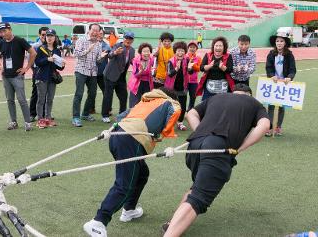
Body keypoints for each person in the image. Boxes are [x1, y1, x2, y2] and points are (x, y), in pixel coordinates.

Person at [162, 84, 270, 237]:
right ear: (249, 95)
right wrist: (240, 148)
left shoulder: (217, 97)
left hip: (195, 145)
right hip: (218, 147)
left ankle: (171, 224)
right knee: (198, 198)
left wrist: (200, 132)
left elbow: (191, 113)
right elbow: (265, 125)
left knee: (197, 188)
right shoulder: (255, 103)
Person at [83, 87, 182, 237]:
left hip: (118, 135)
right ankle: (98, 222)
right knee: (125, 184)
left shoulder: (147, 100)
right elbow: (174, 113)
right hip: (132, 139)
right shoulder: (171, 103)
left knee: (142, 174)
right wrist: (164, 134)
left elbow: (122, 116)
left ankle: (129, 210)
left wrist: (111, 130)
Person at [0, 22, 37, 131]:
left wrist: (26, 68)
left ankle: (27, 123)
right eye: (1, 32)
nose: (3, 34)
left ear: (10, 29)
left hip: (17, 76)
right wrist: (0, 67)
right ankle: (13, 122)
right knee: (10, 100)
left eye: (5, 31)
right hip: (6, 76)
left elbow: (33, 53)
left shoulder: (20, 41)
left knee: (22, 100)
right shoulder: (1, 43)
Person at [72, 23, 104, 127]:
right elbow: (76, 54)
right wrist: (88, 50)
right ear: (89, 30)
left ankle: (85, 114)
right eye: (93, 30)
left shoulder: (99, 44)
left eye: (97, 31)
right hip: (81, 71)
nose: (95, 32)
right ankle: (75, 117)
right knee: (79, 94)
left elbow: (97, 60)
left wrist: (102, 57)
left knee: (92, 94)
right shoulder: (82, 40)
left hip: (93, 72)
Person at [265, 32, 296, 137]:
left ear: (285, 43)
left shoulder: (289, 55)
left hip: (284, 84)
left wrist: (289, 77)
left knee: (282, 107)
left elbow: (292, 69)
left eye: (281, 41)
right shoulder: (271, 54)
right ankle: (269, 127)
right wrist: (271, 75)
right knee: (271, 106)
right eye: (277, 41)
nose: (279, 43)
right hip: (274, 82)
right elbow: (268, 67)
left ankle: (278, 127)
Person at [101, 31, 135, 123]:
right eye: (127, 38)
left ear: (132, 40)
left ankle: (122, 114)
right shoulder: (117, 45)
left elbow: (133, 62)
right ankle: (105, 115)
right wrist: (115, 52)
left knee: (123, 96)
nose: (128, 40)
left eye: (130, 39)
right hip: (110, 74)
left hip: (121, 76)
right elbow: (110, 55)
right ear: (123, 38)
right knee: (108, 95)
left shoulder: (132, 50)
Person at [34, 29, 65, 129]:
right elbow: (37, 62)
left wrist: (63, 65)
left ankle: (48, 118)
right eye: (48, 36)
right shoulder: (40, 48)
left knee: (50, 99)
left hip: (52, 78)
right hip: (42, 77)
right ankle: (40, 120)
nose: (49, 38)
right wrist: (47, 59)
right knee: (41, 99)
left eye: (51, 36)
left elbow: (58, 67)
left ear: (55, 37)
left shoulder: (57, 50)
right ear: (45, 37)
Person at [196, 36, 234, 101]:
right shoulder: (208, 55)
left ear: (224, 47)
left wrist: (223, 68)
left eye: (220, 46)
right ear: (213, 46)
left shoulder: (228, 56)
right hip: (209, 87)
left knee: (222, 106)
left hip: (223, 87)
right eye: (216, 45)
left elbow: (230, 70)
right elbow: (201, 68)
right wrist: (209, 66)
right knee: (207, 105)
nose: (218, 48)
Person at [165, 41, 189, 131]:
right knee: (172, 106)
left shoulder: (186, 60)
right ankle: (169, 123)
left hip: (183, 88)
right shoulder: (171, 61)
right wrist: (176, 69)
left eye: (182, 51)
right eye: (178, 51)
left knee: (182, 107)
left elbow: (189, 72)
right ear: (175, 51)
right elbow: (169, 74)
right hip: (172, 88)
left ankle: (180, 123)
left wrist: (190, 68)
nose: (180, 53)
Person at [29, 26, 49, 122]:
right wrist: (35, 71)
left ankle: (44, 114)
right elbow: (31, 61)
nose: (45, 37)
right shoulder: (35, 46)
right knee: (36, 93)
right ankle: (32, 114)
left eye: (47, 35)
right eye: (43, 35)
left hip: (47, 73)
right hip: (37, 72)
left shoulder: (50, 46)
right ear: (39, 35)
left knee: (46, 94)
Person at [91, 28, 111, 114]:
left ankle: (107, 109)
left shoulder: (106, 45)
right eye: (98, 33)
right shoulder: (91, 44)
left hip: (102, 73)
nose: (99, 35)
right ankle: (91, 109)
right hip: (92, 72)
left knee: (105, 91)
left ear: (103, 35)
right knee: (92, 91)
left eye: (101, 33)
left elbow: (109, 53)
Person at [127, 43, 154, 107]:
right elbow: (135, 74)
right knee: (134, 104)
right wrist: (140, 72)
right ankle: (132, 116)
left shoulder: (151, 59)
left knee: (147, 103)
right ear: (141, 52)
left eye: (148, 51)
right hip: (136, 83)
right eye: (144, 51)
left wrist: (153, 72)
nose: (146, 53)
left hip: (147, 83)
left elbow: (153, 70)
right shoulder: (136, 60)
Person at [186, 41, 202, 111]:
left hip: (194, 81)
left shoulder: (198, 58)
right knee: (183, 96)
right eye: (191, 47)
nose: (192, 49)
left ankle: (190, 109)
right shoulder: (185, 57)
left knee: (193, 96)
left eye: (194, 47)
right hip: (185, 81)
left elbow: (199, 69)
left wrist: (193, 64)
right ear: (188, 48)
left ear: (196, 49)